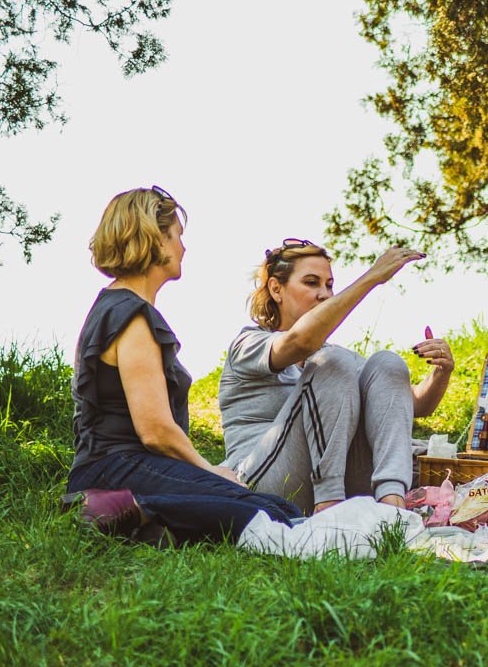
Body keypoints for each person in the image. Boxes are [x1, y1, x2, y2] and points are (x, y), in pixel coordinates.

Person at [65, 187, 301, 544]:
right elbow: (155, 431)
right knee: (273, 513)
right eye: (176, 236)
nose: (183, 247)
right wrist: (211, 471)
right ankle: (106, 509)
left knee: (266, 508)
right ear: (154, 239)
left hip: (121, 468)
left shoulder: (114, 307)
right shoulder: (132, 316)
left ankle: (146, 524)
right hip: (117, 468)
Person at [218, 239, 454, 515]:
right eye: (311, 282)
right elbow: (300, 342)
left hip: (337, 479)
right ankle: (328, 511)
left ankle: (393, 508)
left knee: (386, 363)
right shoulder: (248, 344)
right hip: (263, 483)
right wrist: (372, 278)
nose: (324, 294)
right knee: (332, 363)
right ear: (276, 289)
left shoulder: (333, 358)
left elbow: (413, 404)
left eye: (329, 285)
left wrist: (441, 372)